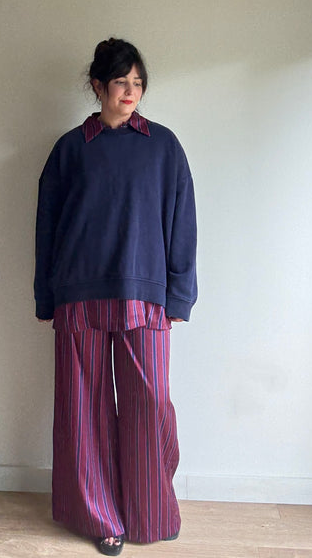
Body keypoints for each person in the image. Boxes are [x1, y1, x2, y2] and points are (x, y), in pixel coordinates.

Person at [34, 37, 197, 556]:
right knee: (83, 410)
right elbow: (47, 227)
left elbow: (183, 222)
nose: (131, 91)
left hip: (144, 296)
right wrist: (45, 295)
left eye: (138, 82)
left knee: (150, 404)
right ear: (98, 85)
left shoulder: (164, 146)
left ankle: (150, 510)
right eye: (121, 82)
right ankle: (100, 517)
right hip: (78, 293)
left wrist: (180, 294)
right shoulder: (69, 149)